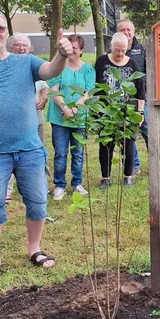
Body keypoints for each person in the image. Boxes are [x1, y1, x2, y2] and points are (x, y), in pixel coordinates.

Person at [0, 10, 72, 282]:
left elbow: (50, 70)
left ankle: (35, 249)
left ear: (6, 31)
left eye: (0, 28)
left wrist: (62, 54)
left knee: (38, 201)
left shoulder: (25, 61)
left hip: (29, 148)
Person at [93, 32, 145, 189]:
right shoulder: (101, 62)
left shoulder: (132, 64)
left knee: (129, 145)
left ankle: (127, 176)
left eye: (123, 50)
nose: (120, 53)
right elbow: (95, 87)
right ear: (111, 47)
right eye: (117, 50)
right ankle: (105, 178)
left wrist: (140, 113)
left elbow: (140, 91)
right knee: (106, 145)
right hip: (106, 112)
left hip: (127, 113)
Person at [48, 34, 96, 200]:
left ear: (81, 50)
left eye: (75, 48)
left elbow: (89, 91)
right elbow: (54, 89)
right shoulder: (59, 67)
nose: (71, 51)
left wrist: (76, 108)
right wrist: (64, 107)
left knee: (78, 153)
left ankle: (77, 183)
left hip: (80, 118)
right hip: (59, 118)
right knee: (60, 153)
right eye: (69, 48)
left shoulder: (89, 70)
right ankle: (59, 185)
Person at [4, 34, 50, 204]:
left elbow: (45, 88)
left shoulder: (33, 66)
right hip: (12, 124)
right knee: (10, 154)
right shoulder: (6, 67)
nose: (21, 48)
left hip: (36, 120)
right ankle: (7, 191)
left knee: (40, 152)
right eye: (17, 45)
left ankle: (41, 187)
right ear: (11, 47)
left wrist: (43, 98)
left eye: (25, 45)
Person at [118, 19, 147, 175]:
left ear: (133, 32)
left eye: (128, 29)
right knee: (128, 135)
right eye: (122, 30)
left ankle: (157, 164)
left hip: (143, 100)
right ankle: (133, 166)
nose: (126, 33)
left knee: (149, 132)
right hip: (124, 103)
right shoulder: (115, 51)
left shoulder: (142, 50)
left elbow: (149, 74)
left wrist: (145, 97)